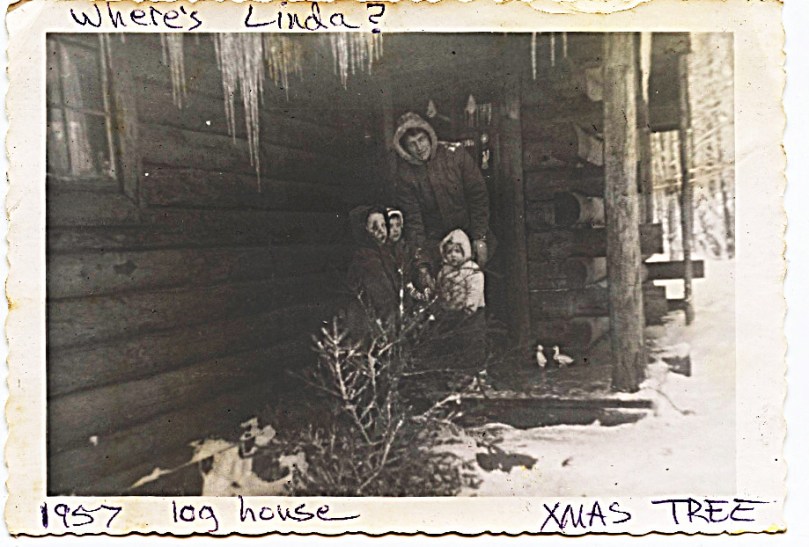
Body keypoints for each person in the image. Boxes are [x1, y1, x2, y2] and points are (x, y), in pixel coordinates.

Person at [392, 112, 496, 290]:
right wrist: (422, 263)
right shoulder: (405, 175)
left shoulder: (455, 155)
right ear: (404, 148)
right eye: (412, 144)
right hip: (436, 248)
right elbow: (413, 220)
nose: (419, 147)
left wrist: (480, 237)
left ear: (429, 136)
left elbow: (478, 197)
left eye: (421, 139)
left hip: (471, 237)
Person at [344, 205, 399, 338]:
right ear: (363, 231)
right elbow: (383, 296)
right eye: (374, 227)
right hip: (370, 321)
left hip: (384, 316)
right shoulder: (366, 258)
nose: (381, 231)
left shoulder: (385, 252)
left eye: (383, 225)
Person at [436, 229, 485, 316]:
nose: (453, 255)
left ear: (465, 252)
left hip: (472, 315)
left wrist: (469, 309)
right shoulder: (444, 272)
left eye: (457, 251)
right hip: (450, 315)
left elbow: (474, 292)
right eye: (449, 252)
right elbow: (441, 292)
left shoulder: (472, 271)